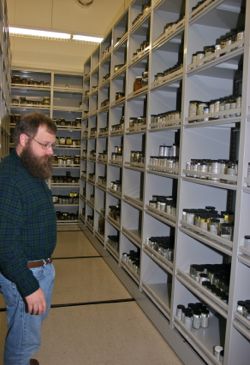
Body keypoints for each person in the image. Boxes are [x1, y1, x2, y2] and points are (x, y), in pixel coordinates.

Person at [0, 112, 57, 365]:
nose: (51, 151)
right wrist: (28, 286)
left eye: (52, 145)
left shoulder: (30, 168)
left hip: (39, 269)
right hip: (26, 273)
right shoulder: (10, 179)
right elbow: (3, 243)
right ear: (24, 139)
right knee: (24, 340)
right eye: (45, 144)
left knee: (28, 328)